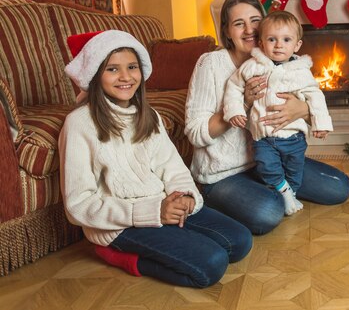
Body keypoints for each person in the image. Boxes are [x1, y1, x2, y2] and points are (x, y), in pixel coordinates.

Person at [59, 30, 252, 288]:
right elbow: (78, 205)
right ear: (95, 74)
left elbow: (171, 166)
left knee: (240, 241)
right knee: (212, 263)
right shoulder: (79, 124)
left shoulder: (148, 115)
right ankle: (124, 258)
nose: (126, 77)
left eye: (131, 67)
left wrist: (184, 195)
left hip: (161, 206)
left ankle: (174, 234)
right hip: (122, 223)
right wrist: (152, 213)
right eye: (112, 70)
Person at [185, 0, 349, 235]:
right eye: (239, 23)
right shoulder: (211, 64)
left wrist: (303, 109)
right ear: (227, 31)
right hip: (223, 174)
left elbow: (310, 94)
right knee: (268, 211)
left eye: (255, 21)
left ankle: (273, 189)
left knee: (340, 188)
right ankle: (222, 199)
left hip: (273, 159)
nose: (250, 29)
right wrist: (240, 104)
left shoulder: (283, 62)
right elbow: (194, 133)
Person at [223, 10, 333, 215]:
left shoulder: (301, 71)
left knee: (295, 170)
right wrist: (235, 109)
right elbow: (234, 87)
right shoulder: (252, 66)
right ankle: (283, 192)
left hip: (293, 137)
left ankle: (290, 192)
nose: (279, 45)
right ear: (262, 43)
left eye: (286, 39)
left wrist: (321, 123)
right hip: (263, 137)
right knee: (266, 166)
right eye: (272, 39)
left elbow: (315, 96)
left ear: (297, 45)